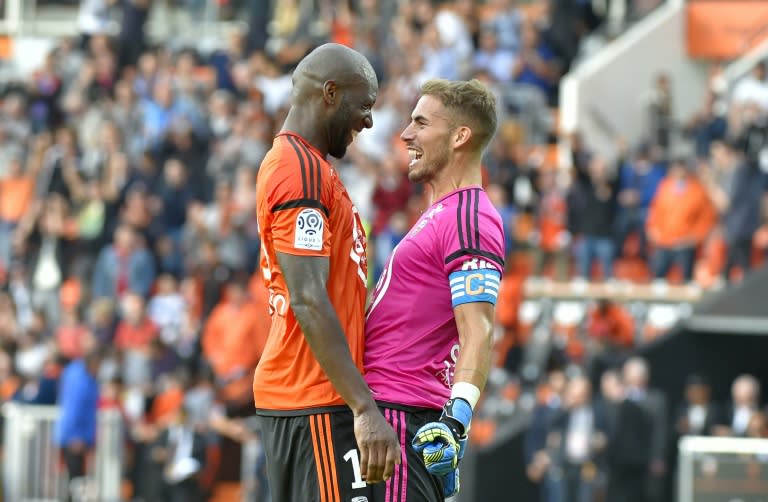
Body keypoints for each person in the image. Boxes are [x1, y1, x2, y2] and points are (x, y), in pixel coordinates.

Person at [253, 43, 401, 501]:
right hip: (316, 397)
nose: (369, 122)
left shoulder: (309, 168)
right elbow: (309, 298)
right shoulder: (299, 172)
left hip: (307, 395)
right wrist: (363, 407)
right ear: (331, 94)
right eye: (364, 106)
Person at [364, 78, 505, 500]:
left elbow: (478, 330)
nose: (406, 134)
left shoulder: (469, 218)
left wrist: (455, 423)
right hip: (384, 419)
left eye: (421, 123)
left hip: (400, 423)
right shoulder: (440, 214)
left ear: (460, 135)